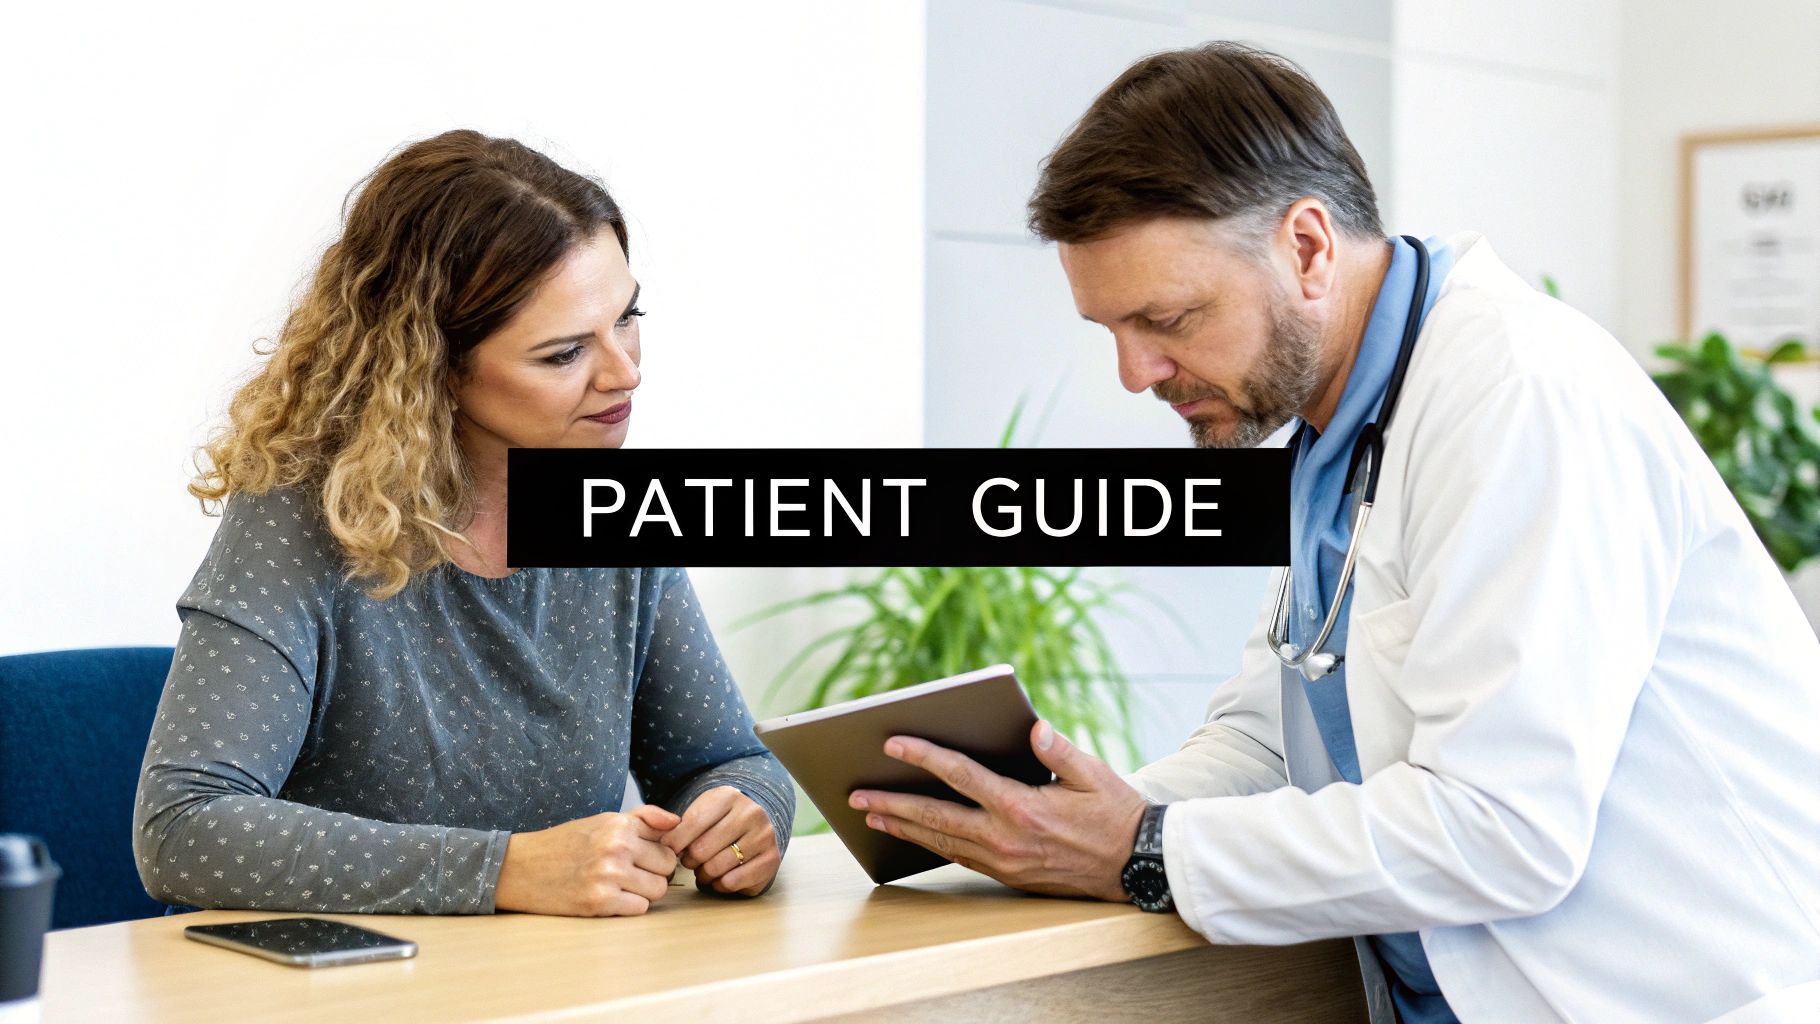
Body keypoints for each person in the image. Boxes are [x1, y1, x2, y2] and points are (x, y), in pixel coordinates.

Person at [846, 43, 1820, 1022]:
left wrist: (1142, 849)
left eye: (1168, 317)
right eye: (1110, 331)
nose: (1135, 373)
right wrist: (1077, 819)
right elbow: (1270, 736)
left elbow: (1503, 828)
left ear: (1306, 246)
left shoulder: (1517, 400)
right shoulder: (1333, 429)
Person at [133, 130, 793, 917]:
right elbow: (184, 828)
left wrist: (747, 812)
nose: (625, 371)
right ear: (430, 368)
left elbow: (721, 759)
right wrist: (503, 870)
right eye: (563, 354)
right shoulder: (303, 518)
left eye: (627, 317)